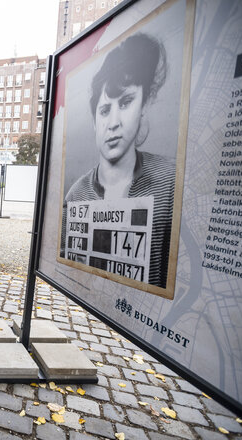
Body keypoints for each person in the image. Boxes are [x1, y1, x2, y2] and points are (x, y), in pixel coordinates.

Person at [63, 33, 175, 288]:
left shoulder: (171, 183)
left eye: (126, 102)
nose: (113, 123)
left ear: (144, 103)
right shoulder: (75, 196)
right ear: (94, 120)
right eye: (104, 110)